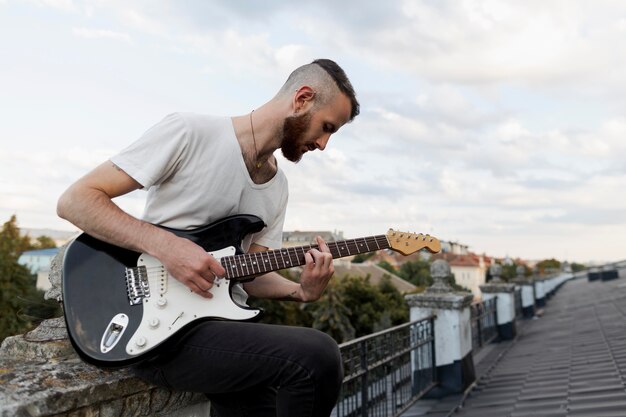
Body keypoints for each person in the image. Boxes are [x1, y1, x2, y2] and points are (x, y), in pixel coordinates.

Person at [57, 58, 360, 417]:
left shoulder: (277, 188)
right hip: (157, 332)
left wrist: (301, 291)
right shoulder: (190, 132)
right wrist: (166, 246)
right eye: (327, 128)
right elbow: (75, 201)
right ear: (303, 98)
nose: (323, 144)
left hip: (222, 333)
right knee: (318, 356)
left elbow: (249, 273)